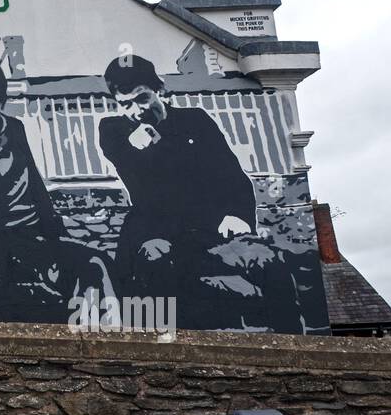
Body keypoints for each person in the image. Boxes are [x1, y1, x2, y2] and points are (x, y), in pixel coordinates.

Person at [0, 57, 108, 322]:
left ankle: (105, 350)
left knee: (95, 263)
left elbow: (34, 183)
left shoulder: (15, 129)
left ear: (1, 102)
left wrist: (55, 233)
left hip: (29, 239)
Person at [98, 54, 267, 327]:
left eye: (141, 99)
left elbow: (231, 175)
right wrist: (135, 142)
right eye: (125, 104)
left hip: (207, 227)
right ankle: (159, 347)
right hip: (152, 231)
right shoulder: (113, 130)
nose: (135, 111)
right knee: (154, 259)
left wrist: (237, 215)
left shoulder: (195, 121)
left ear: (160, 89)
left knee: (269, 261)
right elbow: (121, 152)